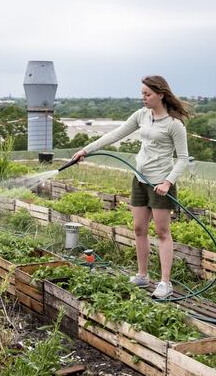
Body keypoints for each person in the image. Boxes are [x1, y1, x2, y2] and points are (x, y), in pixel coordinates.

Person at [71, 75, 192, 298]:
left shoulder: (175, 125)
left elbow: (183, 159)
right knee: (139, 229)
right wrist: (86, 150)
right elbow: (115, 134)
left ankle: (165, 283)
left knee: (162, 232)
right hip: (140, 179)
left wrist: (168, 182)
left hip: (160, 184)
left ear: (160, 95)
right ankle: (142, 275)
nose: (143, 98)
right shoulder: (141, 115)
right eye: (142, 94)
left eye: (148, 94)